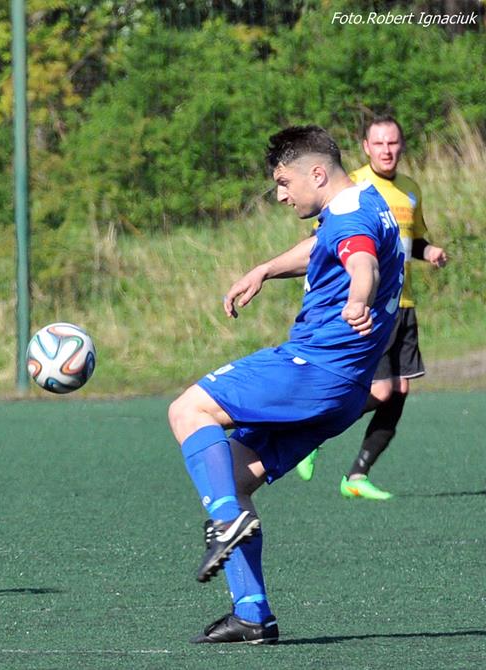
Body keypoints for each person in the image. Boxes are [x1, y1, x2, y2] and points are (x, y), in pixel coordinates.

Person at [166, 125, 404, 644]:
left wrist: (358, 298)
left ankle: (225, 524)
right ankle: (252, 614)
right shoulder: (366, 199)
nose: (279, 195)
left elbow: (360, 260)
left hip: (313, 370)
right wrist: (265, 269)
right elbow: (327, 245)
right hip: (343, 390)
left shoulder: (352, 217)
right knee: (232, 477)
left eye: (282, 182)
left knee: (187, 410)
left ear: (316, 173)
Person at [295, 116, 448, 499]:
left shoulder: (410, 189)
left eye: (393, 143)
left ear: (401, 145)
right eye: (379, 143)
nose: (386, 150)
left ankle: (357, 476)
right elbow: (326, 241)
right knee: (380, 390)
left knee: (399, 389)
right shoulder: (354, 187)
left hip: (403, 303)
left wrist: (428, 251)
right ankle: (310, 433)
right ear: (366, 147)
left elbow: (406, 241)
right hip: (370, 305)